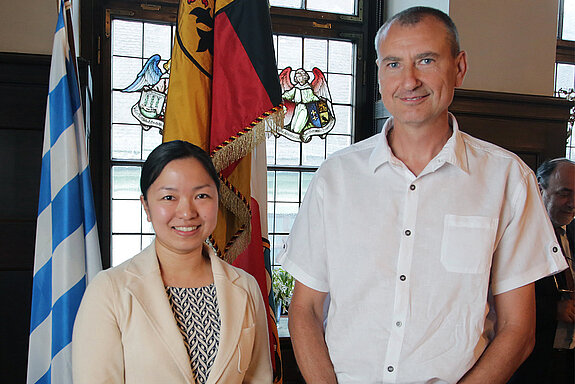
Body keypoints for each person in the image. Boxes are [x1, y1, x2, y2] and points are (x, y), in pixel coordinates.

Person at [279, 6, 568, 384]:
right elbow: (306, 310)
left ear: (459, 67)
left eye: (426, 60)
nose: (409, 80)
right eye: (393, 64)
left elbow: (518, 329)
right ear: (380, 74)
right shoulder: (336, 177)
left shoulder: (508, 179)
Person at [72, 140, 272, 383]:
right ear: (145, 205)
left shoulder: (246, 287)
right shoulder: (109, 290)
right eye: (169, 197)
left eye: (201, 195)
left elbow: (258, 378)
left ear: (218, 199)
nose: (187, 212)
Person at [511, 158, 574, 383]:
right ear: (539, 190)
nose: (572, 203)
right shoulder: (518, 234)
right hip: (532, 361)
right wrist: (553, 310)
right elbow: (499, 301)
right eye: (564, 193)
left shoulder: (572, 233)